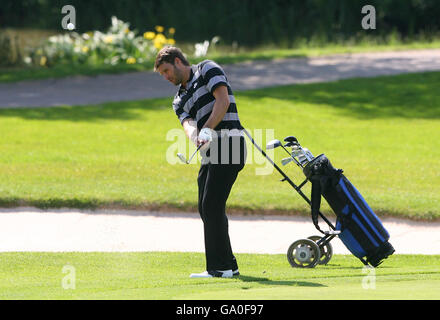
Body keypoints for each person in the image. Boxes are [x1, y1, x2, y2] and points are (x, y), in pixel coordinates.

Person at [154, 46, 246, 278]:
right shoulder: (178, 99)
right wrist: (197, 136)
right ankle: (228, 264)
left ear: (177, 61)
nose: (166, 77)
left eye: (166, 71)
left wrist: (207, 129)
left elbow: (222, 100)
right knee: (206, 207)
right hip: (211, 151)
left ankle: (220, 268)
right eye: (162, 74)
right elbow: (187, 123)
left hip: (230, 143)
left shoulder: (207, 68)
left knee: (211, 205)